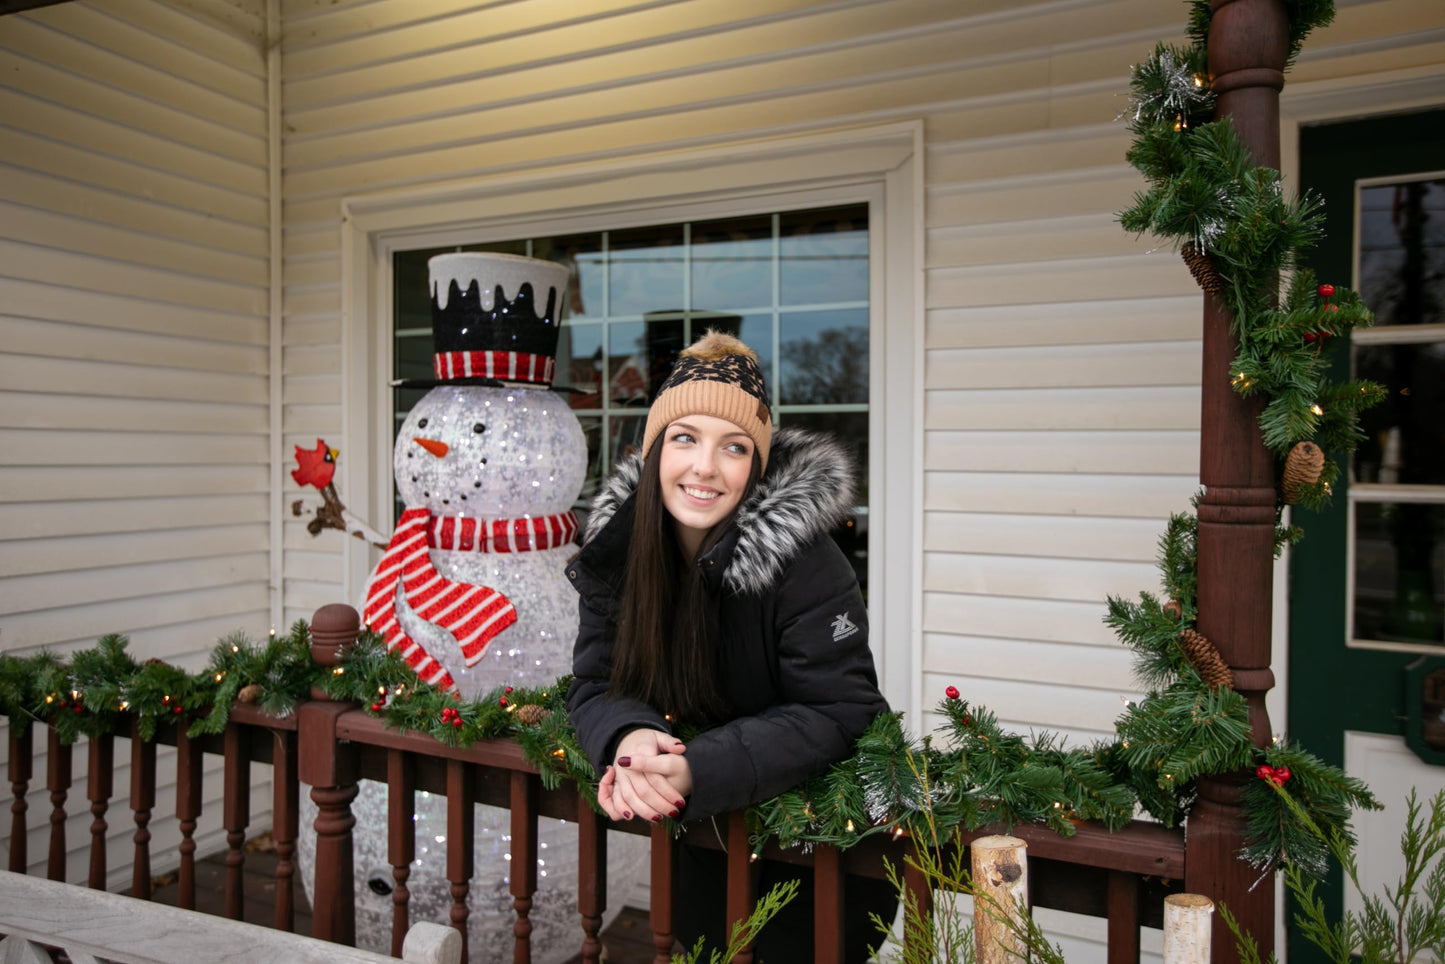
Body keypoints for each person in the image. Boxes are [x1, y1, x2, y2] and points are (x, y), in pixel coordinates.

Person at [565, 330, 897, 962]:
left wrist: (695, 768)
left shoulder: (805, 561)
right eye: (685, 437)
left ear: (757, 464)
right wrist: (629, 739)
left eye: (734, 448)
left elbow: (841, 710)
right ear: (654, 447)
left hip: (819, 863)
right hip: (708, 851)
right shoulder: (620, 554)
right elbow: (597, 682)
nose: (704, 467)